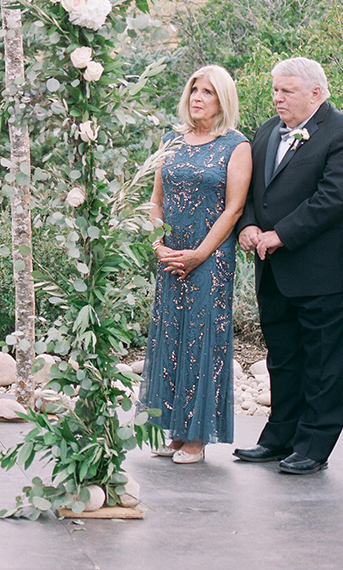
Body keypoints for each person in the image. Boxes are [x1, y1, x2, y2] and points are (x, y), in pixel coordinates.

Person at [234, 57, 343, 474]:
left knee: (326, 362)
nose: (277, 98)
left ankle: (313, 446)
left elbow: (335, 198)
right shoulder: (265, 133)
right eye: (275, 90)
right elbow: (255, 191)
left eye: (286, 91)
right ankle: (279, 438)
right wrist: (250, 225)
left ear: (316, 92)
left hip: (329, 272)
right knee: (283, 358)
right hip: (274, 270)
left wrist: (281, 234)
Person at [139, 65, 251, 464]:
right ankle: (173, 429)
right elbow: (155, 199)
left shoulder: (236, 146)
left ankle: (197, 437)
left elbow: (235, 208)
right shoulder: (170, 140)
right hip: (171, 255)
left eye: (209, 92)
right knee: (170, 336)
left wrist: (200, 254)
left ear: (224, 100)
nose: (198, 97)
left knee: (202, 340)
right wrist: (157, 243)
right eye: (194, 90)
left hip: (210, 258)